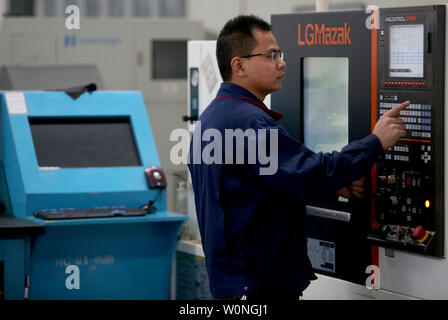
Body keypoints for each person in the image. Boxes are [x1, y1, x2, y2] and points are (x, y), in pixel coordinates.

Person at [187, 15, 408, 300]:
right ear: (238, 65)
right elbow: (309, 173)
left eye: (281, 54)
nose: (281, 63)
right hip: (259, 288)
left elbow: (257, 189)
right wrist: (375, 142)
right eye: (271, 55)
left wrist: (332, 186)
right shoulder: (250, 123)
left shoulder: (210, 120)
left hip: (231, 284)